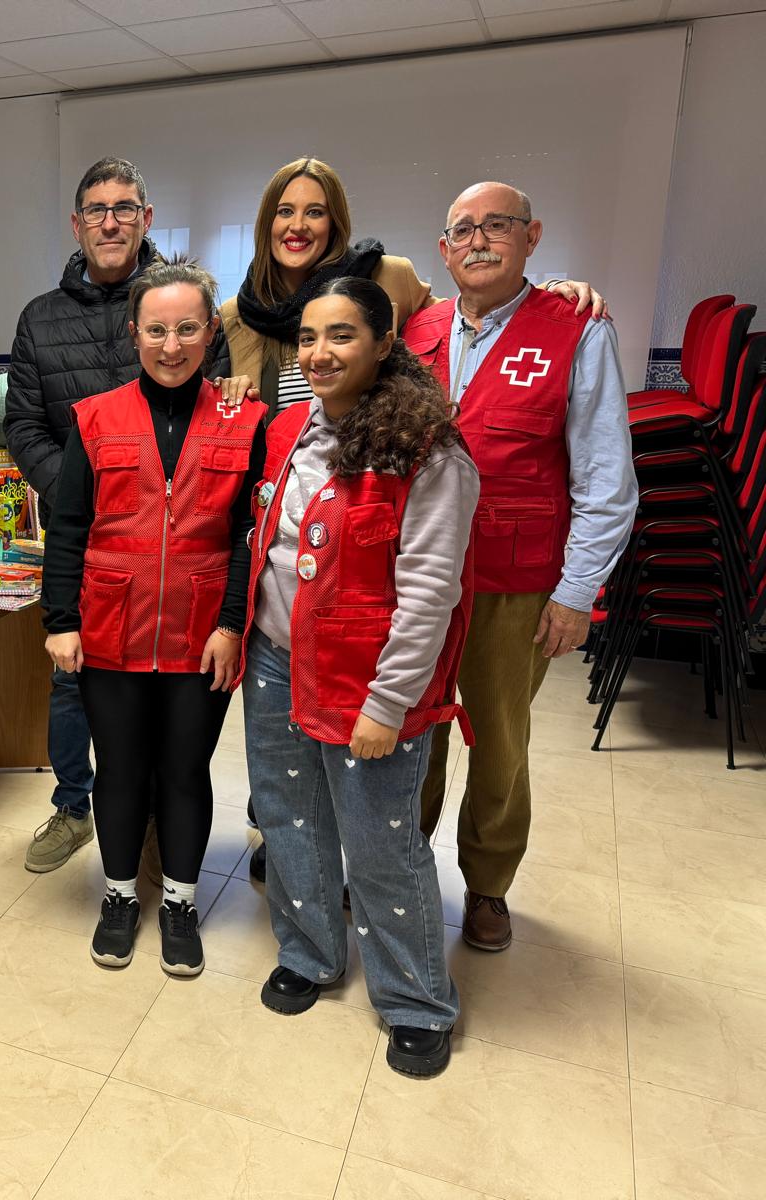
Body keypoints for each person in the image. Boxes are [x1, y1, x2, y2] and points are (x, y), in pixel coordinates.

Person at [221, 156, 604, 885]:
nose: (298, 225)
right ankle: (357, 859)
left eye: (315, 210)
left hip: (453, 554)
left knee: (473, 735)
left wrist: (549, 293)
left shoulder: (391, 283)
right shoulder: (238, 314)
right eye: (283, 211)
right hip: (318, 551)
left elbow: (482, 302)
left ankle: (466, 883)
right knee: (357, 726)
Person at [243, 276, 478, 1079]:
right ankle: (310, 954)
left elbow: (430, 597)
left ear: (384, 343)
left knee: (380, 843)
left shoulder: (429, 452)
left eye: (341, 335)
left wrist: (387, 705)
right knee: (288, 818)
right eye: (308, 338)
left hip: (369, 684)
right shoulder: (287, 432)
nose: (319, 353)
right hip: (276, 660)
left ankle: (415, 1000)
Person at [405, 182, 636, 952]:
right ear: (443, 250)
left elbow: (606, 478)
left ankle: (488, 885)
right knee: (412, 728)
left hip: (516, 581)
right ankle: (400, 865)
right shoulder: (417, 328)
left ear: (531, 237)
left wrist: (576, 593)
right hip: (418, 575)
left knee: (500, 739)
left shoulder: (576, 328)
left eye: (496, 225)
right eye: (462, 229)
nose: (478, 240)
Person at [42, 254, 264, 977]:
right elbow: (69, 523)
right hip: (109, 629)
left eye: (189, 329)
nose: (172, 346)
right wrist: (59, 618)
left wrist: (232, 624)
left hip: (202, 635)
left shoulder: (244, 420)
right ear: (134, 333)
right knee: (122, 772)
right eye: (157, 329)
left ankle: (178, 901)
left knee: (184, 771)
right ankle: (116, 897)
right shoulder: (96, 418)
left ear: (209, 335)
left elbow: (245, 534)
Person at [7, 157, 230, 875]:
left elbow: (219, 407)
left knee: (167, 695)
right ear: (76, 224)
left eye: (125, 208)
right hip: (89, 541)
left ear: (147, 219)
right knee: (74, 680)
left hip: (175, 548)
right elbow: (24, 426)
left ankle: (159, 825)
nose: (111, 221)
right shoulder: (40, 319)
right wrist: (84, 490)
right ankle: (75, 807)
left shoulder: (183, 304)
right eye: (97, 209)